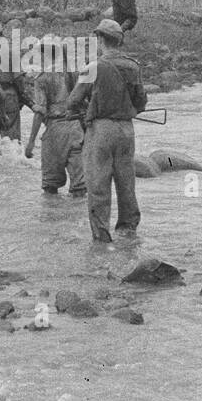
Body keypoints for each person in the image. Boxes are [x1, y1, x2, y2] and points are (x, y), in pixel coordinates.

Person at [67, 19, 146, 242]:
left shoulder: (92, 67)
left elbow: (72, 101)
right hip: (126, 130)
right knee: (126, 183)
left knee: (98, 184)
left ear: (100, 38)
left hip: (101, 130)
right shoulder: (133, 66)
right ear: (119, 40)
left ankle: (101, 237)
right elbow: (141, 102)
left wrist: (86, 108)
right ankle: (128, 233)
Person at [26, 36, 85, 196]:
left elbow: (40, 112)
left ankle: (52, 211)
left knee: (50, 186)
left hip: (54, 131)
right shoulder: (75, 73)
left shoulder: (42, 78)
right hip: (76, 129)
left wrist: (31, 142)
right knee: (80, 188)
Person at [0, 20, 34, 141]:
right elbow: (19, 79)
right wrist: (22, 95)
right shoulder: (11, 53)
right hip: (9, 96)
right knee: (12, 141)